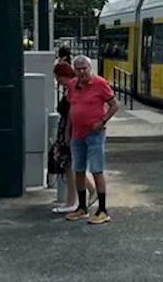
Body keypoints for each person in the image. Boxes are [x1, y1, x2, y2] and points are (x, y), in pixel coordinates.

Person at [65, 54, 118, 224]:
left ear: (90, 68)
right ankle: (82, 207)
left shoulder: (100, 84)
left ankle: (102, 210)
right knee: (78, 170)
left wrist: (102, 121)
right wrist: (68, 131)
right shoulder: (73, 85)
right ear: (74, 70)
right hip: (76, 134)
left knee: (96, 170)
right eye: (78, 69)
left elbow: (114, 105)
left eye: (84, 68)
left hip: (94, 134)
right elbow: (71, 109)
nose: (82, 72)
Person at [49, 59, 95, 214]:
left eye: (57, 77)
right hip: (71, 130)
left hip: (70, 131)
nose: (57, 81)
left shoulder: (72, 88)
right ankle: (90, 190)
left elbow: (70, 112)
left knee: (70, 165)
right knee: (74, 164)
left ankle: (72, 201)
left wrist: (68, 133)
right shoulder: (74, 87)